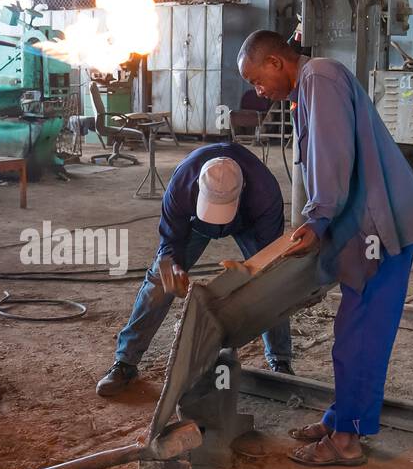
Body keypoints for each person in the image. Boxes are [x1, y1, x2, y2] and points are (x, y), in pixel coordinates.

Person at [236, 30, 413, 466]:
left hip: (381, 230)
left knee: (359, 338)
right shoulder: (309, 87)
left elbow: (333, 157)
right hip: (368, 229)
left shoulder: (318, 78)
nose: (258, 91)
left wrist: (318, 218)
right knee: (357, 334)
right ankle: (342, 417)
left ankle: (347, 440)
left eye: (256, 80)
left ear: (276, 62)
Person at [96, 141, 293, 396]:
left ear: (242, 189)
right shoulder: (181, 185)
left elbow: (269, 258)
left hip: (248, 222)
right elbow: (170, 241)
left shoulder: (265, 193)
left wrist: (249, 278)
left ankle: (280, 361)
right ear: (198, 187)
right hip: (194, 222)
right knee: (159, 281)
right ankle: (125, 362)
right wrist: (174, 267)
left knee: (272, 285)